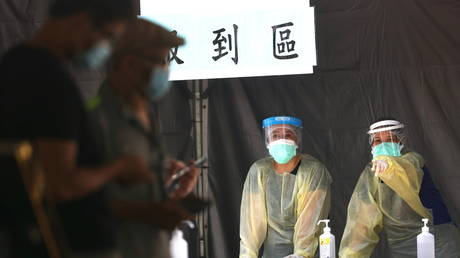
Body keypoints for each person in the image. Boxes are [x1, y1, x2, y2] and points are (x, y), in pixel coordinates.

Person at [0, 0, 153, 257]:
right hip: (75, 244)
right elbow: (60, 185)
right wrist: (118, 168)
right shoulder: (50, 81)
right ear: (81, 21)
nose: (105, 49)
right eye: (106, 36)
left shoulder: (14, 63)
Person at [89, 18, 200, 258]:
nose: (165, 70)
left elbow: (132, 190)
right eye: (160, 61)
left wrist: (169, 190)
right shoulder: (96, 119)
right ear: (129, 63)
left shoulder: (145, 115)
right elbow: (71, 198)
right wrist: (143, 212)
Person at [339, 118, 460, 258]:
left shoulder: (413, 160)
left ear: (401, 141)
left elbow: (405, 173)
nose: (383, 145)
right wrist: (350, 255)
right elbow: (362, 220)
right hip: (401, 245)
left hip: (437, 240)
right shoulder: (372, 173)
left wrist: (389, 166)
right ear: (371, 144)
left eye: (390, 138)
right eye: (377, 140)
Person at [239, 116, 332, 258]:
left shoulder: (313, 171)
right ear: (268, 140)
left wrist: (301, 255)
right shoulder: (259, 171)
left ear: (297, 140)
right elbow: (252, 224)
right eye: (275, 135)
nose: (281, 140)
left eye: (288, 135)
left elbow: (309, 223)